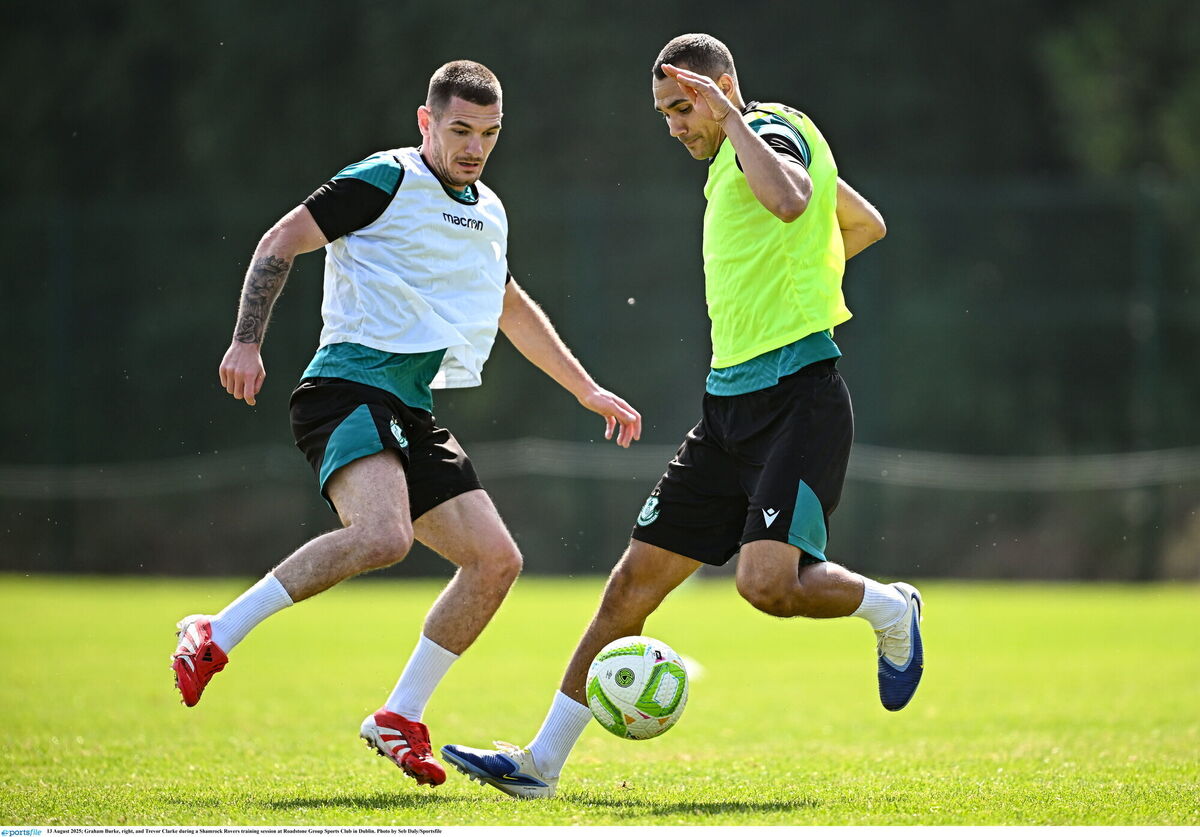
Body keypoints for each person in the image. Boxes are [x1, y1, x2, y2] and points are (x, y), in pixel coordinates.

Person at [441, 34, 922, 799]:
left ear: (722, 87)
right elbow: (860, 223)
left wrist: (731, 119)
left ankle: (893, 607)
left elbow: (796, 198)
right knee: (630, 585)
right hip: (727, 408)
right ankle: (539, 764)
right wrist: (798, 268)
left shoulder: (767, 132)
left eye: (681, 107)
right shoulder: (735, 158)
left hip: (800, 397)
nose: (673, 126)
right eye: (663, 113)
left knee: (767, 585)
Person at [169, 59, 642, 788]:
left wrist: (586, 389)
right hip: (346, 387)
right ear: (426, 122)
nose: (474, 147)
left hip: (411, 406)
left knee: (496, 561)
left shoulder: (488, 209)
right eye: (459, 129)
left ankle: (399, 713)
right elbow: (279, 241)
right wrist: (246, 338)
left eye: (489, 132)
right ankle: (215, 631)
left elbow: (509, 304)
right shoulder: (384, 179)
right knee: (383, 536)